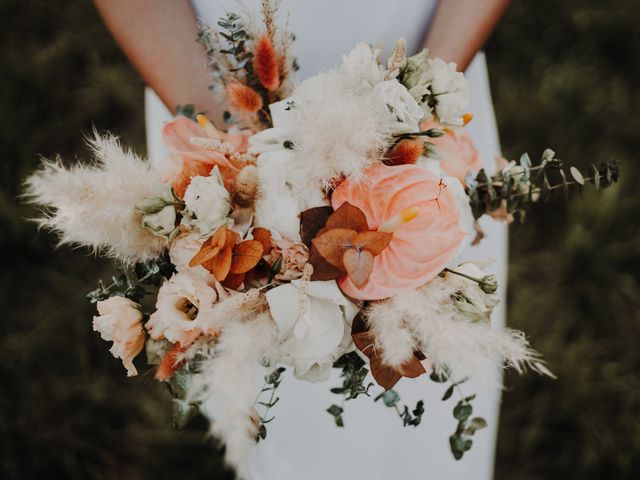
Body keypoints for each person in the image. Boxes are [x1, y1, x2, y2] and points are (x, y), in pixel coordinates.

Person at [94, 1, 511, 479]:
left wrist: (415, 105)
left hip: (426, 73)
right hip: (210, 93)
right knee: (287, 401)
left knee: (435, 354)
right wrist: (233, 150)